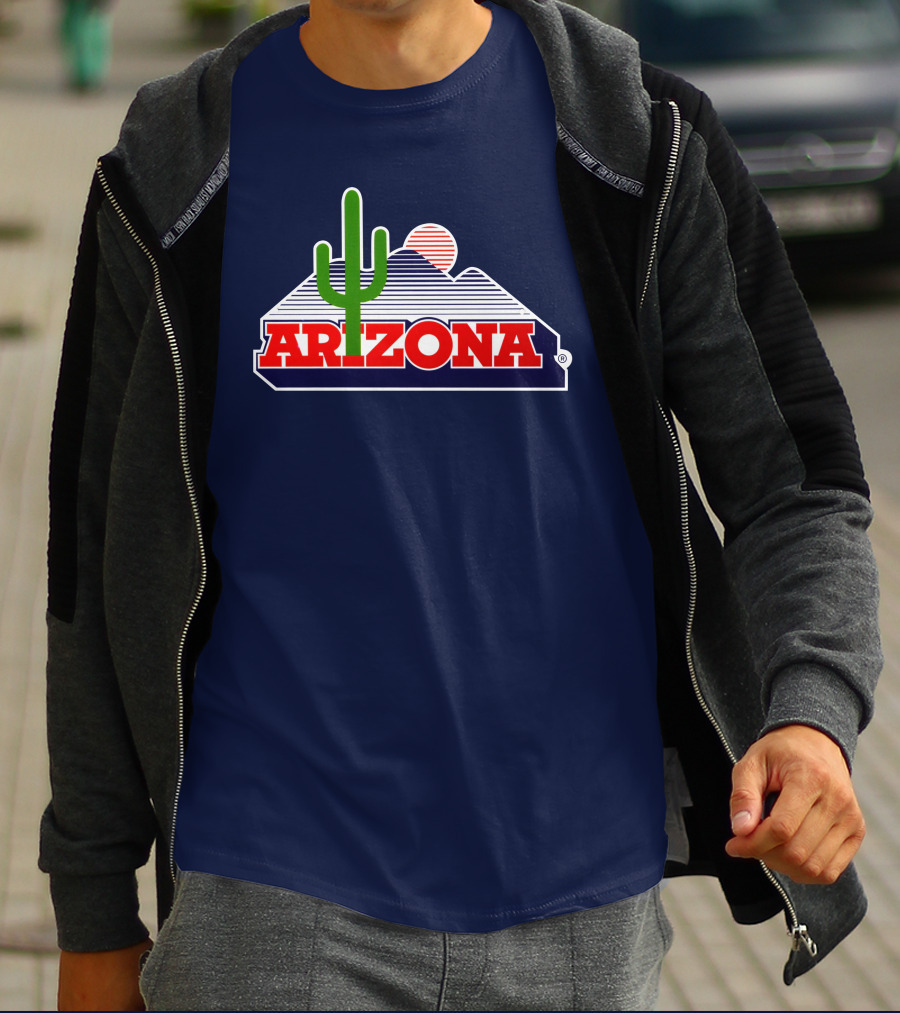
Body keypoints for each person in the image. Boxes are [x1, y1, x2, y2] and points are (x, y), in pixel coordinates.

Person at [41, 0, 881, 1010]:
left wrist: (814, 715)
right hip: (269, 890)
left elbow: (798, 480)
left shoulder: (635, 138)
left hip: (581, 892)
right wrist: (93, 909)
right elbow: (88, 560)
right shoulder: (175, 165)